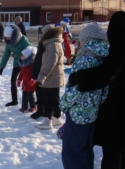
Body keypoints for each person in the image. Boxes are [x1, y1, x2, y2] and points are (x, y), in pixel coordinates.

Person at [67, 11, 125, 169]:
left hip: (118, 117)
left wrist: (79, 78)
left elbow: (107, 73)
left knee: (113, 155)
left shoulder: (119, 49)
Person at [60, 23, 110, 169]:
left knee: (72, 153)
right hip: (93, 114)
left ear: (87, 39)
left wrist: (63, 104)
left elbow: (75, 89)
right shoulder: (103, 58)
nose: (79, 43)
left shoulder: (84, 59)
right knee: (86, 150)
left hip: (77, 114)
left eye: (81, 40)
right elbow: (105, 90)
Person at [34, 24, 65, 129]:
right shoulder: (52, 43)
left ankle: (48, 120)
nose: (41, 35)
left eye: (43, 33)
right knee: (53, 98)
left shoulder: (53, 45)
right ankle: (56, 117)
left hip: (51, 77)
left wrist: (42, 75)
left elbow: (50, 63)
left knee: (48, 99)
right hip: (52, 77)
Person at [0, 25, 31, 107]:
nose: (8, 39)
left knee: (28, 82)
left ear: (14, 35)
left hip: (26, 64)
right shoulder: (8, 43)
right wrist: (2, 67)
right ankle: (14, 100)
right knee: (13, 80)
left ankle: (32, 100)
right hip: (16, 63)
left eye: (9, 37)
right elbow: (6, 54)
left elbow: (30, 50)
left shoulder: (23, 40)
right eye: (6, 37)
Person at [30, 26, 45, 119]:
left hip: (45, 72)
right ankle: (40, 110)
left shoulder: (49, 44)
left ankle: (46, 111)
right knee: (39, 91)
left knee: (45, 93)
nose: (41, 35)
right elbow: (38, 58)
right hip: (39, 70)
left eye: (42, 33)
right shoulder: (42, 43)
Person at [17, 46, 37, 113]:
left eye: (23, 56)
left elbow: (36, 73)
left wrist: (34, 79)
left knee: (30, 95)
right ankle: (24, 107)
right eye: (21, 55)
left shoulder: (31, 65)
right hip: (25, 83)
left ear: (27, 57)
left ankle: (33, 106)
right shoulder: (23, 65)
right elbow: (21, 73)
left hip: (31, 83)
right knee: (24, 95)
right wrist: (19, 79)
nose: (21, 57)